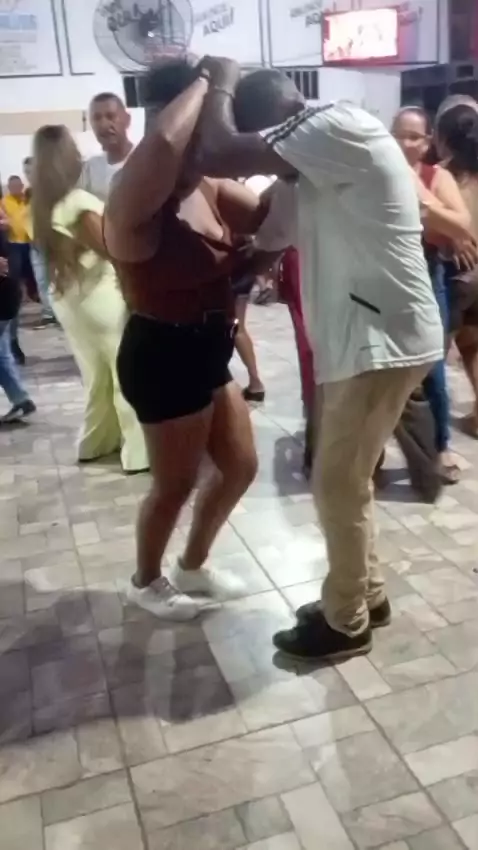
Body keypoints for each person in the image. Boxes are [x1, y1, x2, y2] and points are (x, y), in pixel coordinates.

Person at [196, 60, 444, 661]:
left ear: (271, 121)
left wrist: (217, 79)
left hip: (381, 339)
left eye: (255, 138)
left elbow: (218, 152)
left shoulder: (339, 123)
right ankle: (365, 595)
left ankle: (346, 621)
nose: (253, 164)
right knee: (346, 481)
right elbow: (265, 250)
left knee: (335, 484)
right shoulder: (301, 178)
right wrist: (210, 281)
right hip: (360, 344)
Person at [104, 60, 267, 621]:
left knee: (240, 465)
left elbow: (270, 216)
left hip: (207, 349)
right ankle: (145, 581)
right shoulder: (134, 196)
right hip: (163, 354)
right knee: (175, 484)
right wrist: (209, 77)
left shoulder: (208, 185)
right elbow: (160, 147)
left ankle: (192, 565)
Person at [30, 125, 148, 474]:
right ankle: (139, 453)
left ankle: (95, 442)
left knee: (95, 376)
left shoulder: (42, 206)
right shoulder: (77, 202)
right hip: (99, 298)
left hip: (69, 300)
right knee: (126, 372)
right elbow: (112, 251)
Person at [390, 105, 473, 484]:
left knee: (432, 366)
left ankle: (440, 446)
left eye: (413, 137)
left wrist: (419, 196)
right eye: (398, 135)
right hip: (381, 281)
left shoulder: (436, 177)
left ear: (427, 143)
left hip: (426, 277)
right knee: (380, 368)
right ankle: (375, 450)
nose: (404, 143)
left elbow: (459, 225)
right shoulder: (371, 173)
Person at [434, 102, 478, 437]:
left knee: (432, 361)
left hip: (454, 275)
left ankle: (435, 438)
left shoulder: (440, 175)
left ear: (442, 138)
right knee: (473, 348)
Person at [0, 205, 35, 422]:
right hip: (8, 297)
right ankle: (21, 400)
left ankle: (21, 399)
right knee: (2, 354)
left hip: (4, 297)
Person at [2, 174, 34, 365]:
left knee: (10, 300)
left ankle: (13, 345)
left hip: (11, 252)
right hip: (11, 247)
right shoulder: (4, 202)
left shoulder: (26, 200)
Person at [23, 156, 56, 328]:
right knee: (41, 280)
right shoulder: (28, 193)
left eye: (31, 171)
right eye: (26, 171)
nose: (28, 175)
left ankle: (57, 314)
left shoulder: (48, 191)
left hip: (49, 242)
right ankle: (49, 313)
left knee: (53, 279)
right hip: (33, 243)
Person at [81, 93, 134, 201]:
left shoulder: (144, 162)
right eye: (97, 118)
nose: (103, 125)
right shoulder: (90, 169)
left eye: (111, 116)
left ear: (127, 120)